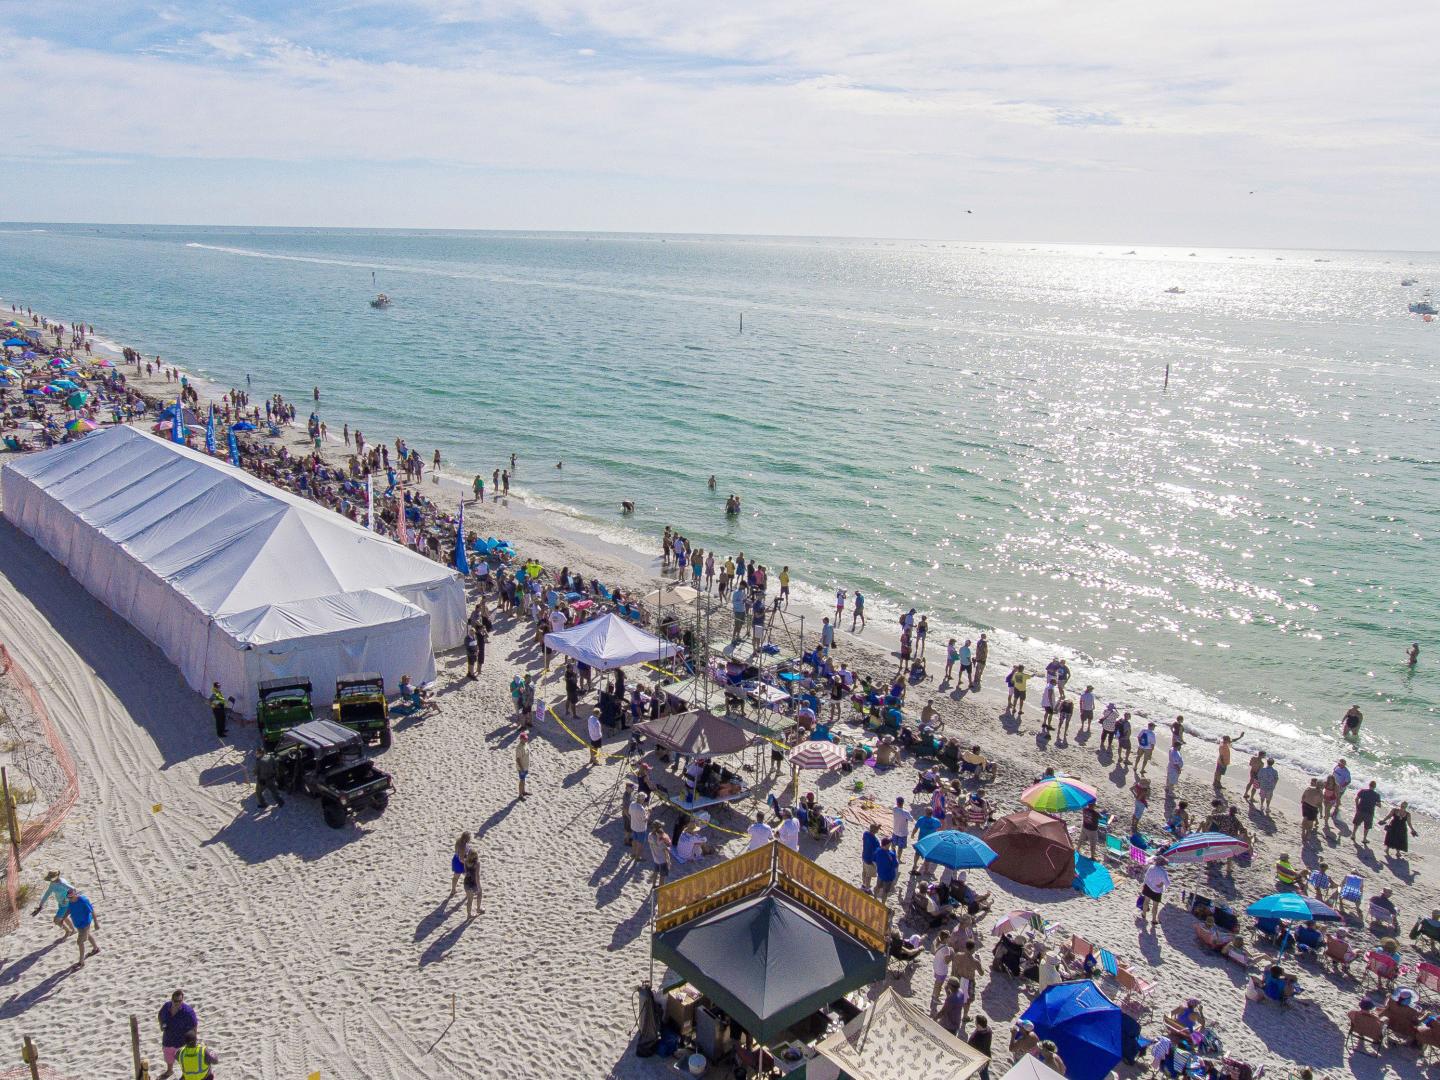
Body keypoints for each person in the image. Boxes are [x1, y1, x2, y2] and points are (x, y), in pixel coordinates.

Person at [157, 990, 198, 1079]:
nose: (178, 1003)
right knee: (168, 1056)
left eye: (180, 1001)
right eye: (176, 1001)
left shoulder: (188, 1012)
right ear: (172, 1000)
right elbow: (160, 1015)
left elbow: (194, 1025)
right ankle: (169, 1070)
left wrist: (193, 1040)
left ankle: (185, 1074)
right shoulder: (166, 1006)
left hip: (181, 1042)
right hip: (168, 1039)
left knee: (184, 1061)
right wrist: (161, 1025)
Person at [31, 870, 75, 936]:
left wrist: (66, 899)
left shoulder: (62, 883)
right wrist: (41, 904)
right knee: (64, 917)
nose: (51, 880)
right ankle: (73, 930)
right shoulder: (53, 883)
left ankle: (67, 931)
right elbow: (48, 893)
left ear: (56, 877)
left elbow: (73, 889)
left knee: (56, 920)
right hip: (60, 903)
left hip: (66, 904)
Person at [65, 887, 100, 968]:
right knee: (88, 935)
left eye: (71, 897)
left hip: (85, 923)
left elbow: (92, 911)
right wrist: (63, 918)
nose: (69, 899)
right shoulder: (70, 901)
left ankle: (81, 962)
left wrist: (96, 923)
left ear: (75, 895)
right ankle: (96, 948)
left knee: (80, 942)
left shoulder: (83, 900)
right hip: (78, 924)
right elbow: (69, 910)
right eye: (68, 897)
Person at [1141, 856, 1170, 929]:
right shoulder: (1163, 872)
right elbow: (1167, 883)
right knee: (1155, 905)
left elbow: (1146, 876)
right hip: (1157, 890)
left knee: (1146, 901)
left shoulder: (1151, 867)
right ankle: (1153, 920)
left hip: (1148, 886)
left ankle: (1144, 914)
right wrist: (1162, 884)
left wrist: (1144, 884)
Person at [1352, 780, 1382, 845]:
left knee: (1356, 823)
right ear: (1375, 787)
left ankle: (1353, 835)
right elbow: (1379, 805)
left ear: (1369, 785)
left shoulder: (1362, 791)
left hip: (1360, 810)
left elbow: (1356, 799)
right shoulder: (1377, 795)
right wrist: (1374, 803)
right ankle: (1364, 838)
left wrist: (1357, 807)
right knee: (1367, 826)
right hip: (1369, 812)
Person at [873, 837, 900, 903]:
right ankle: (883, 904)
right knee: (885, 891)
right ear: (887, 845)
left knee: (878, 887)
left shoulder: (877, 851)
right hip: (888, 876)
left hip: (880, 874)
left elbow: (874, 860)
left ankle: (874, 898)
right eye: (889, 843)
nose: (890, 844)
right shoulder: (891, 854)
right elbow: (896, 865)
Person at [450, 832, 474, 897]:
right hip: (461, 863)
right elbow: (461, 859)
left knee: (455, 877)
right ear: (467, 839)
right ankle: (468, 893)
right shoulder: (463, 846)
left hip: (455, 859)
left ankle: (453, 890)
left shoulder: (458, 840)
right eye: (469, 838)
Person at [861, 822, 881, 892]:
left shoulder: (865, 833)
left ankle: (863, 884)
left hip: (864, 856)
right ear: (876, 831)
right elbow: (877, 852)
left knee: (864, 872)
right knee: (868, 875)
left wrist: (876, 827)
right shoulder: (875, 841)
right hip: (870, 860)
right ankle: (867, 889)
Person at [462, 850, 482, 919]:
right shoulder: (477, 863)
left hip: (466, 882)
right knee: (479, 894)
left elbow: (465, 871)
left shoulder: (465, 861)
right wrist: (478, 885)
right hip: (473, 883)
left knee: (469, 900)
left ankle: (469, 915)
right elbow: (477, 876)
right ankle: (478, 909)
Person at [515, 732, 530, 800]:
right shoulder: (519, 748)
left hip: (526, 766)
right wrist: (521, 769)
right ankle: (520, 795)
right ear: (521, 739)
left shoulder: (526, 744)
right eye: (524, 739)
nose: (526, 740)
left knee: (524, 780)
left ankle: (523, 792)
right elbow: (517, 759)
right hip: (522, 767)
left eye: (526, 738)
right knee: (521, 780)